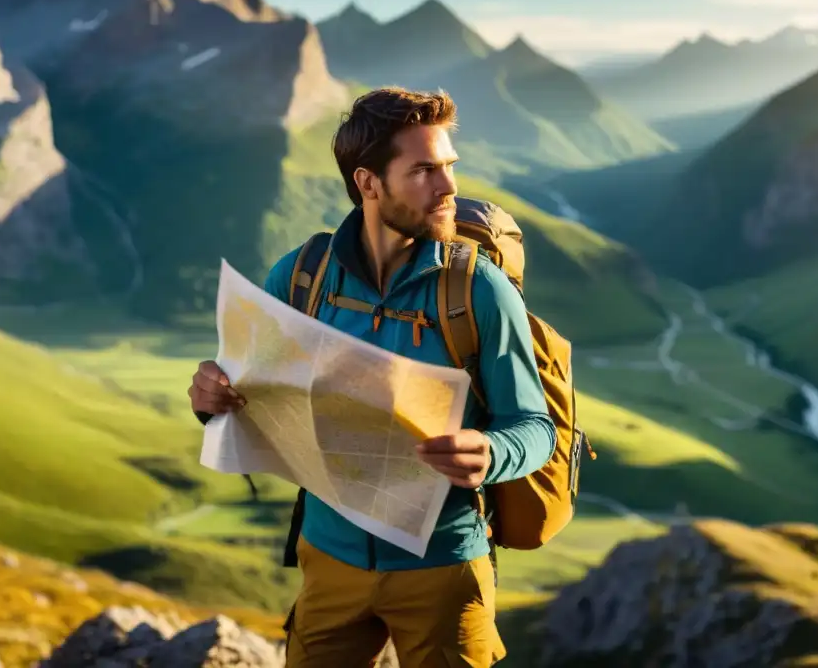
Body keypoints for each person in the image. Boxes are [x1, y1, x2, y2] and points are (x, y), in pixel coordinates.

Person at [187, 87, 556, 667]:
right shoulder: (303, 276)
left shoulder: (479, 290)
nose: (449, 188)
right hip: (328, 561)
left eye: (449, 167)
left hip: (444, 568)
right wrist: (210, 398)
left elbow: (536, 426)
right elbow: (246, 391)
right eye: (425, 171)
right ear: (368, 183)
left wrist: (491, 451)